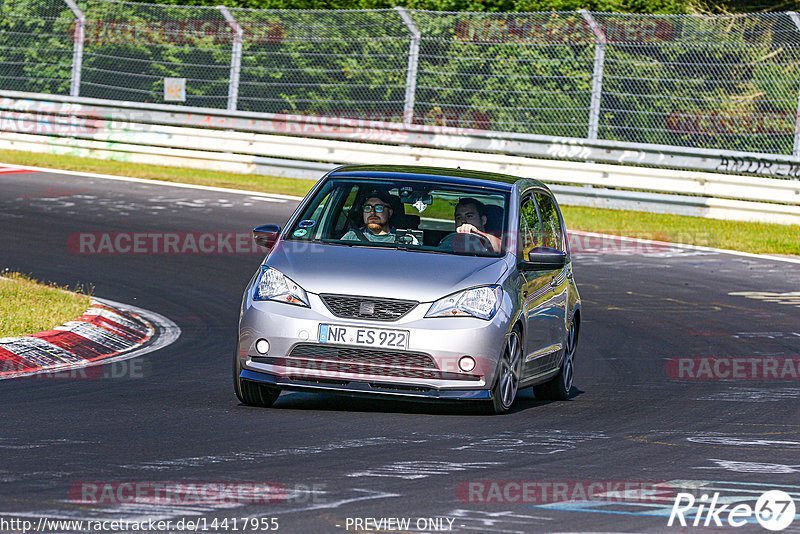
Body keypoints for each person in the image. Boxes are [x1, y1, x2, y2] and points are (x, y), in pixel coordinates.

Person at [341, 190, 407, 243]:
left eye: (378, 208)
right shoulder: (352, 236)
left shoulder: (403, 239)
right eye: (367, 208)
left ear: (390, 212)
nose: (372, 212)